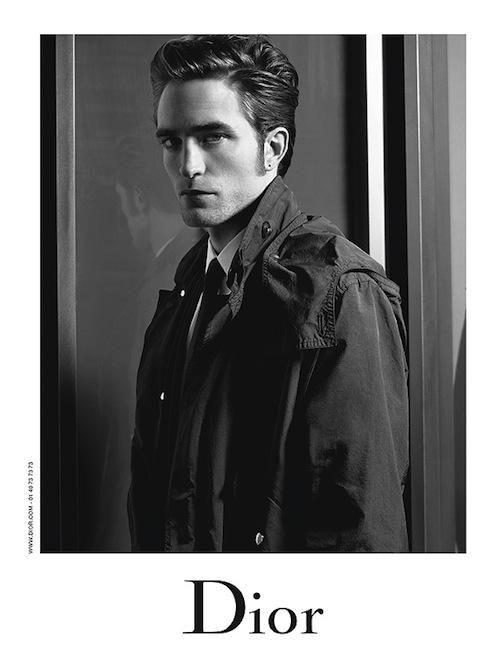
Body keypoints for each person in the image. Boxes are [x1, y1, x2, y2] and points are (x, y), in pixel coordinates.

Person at [128, 34, 409, 553]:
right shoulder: (190, 284)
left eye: (212, 137)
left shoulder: (340, 290)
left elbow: (359, 530)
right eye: (171, 142)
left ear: (273, 148)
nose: (187, 166)